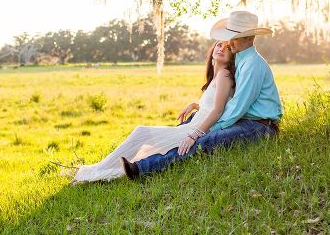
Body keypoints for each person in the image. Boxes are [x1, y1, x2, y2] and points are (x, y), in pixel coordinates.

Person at [121, 10, 283, 180]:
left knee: (206, 140)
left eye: (234, 37)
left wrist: (200, 131)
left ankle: (141, 169)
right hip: (246, 120)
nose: (229, 42)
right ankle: (147, 155)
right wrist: (198, 114)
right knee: (191, 126)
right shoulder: (241, 60)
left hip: (260, 126)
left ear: (249, 38)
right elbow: (228, 101)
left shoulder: (252, 65)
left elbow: (237, 108)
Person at [70, 40, 236, 184]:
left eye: (227, 48)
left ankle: (99, 171)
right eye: (219, 45)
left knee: (142, 132)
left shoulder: (224, 74)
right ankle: (101, 170)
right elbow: (210, 106)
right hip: (192, 126)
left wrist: (194, 135)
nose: (221, 48)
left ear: (231, 56)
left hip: (196, 130)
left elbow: (218, 110)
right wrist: (194, 105)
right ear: (212, 50)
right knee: (144, 138)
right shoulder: (216, 77)